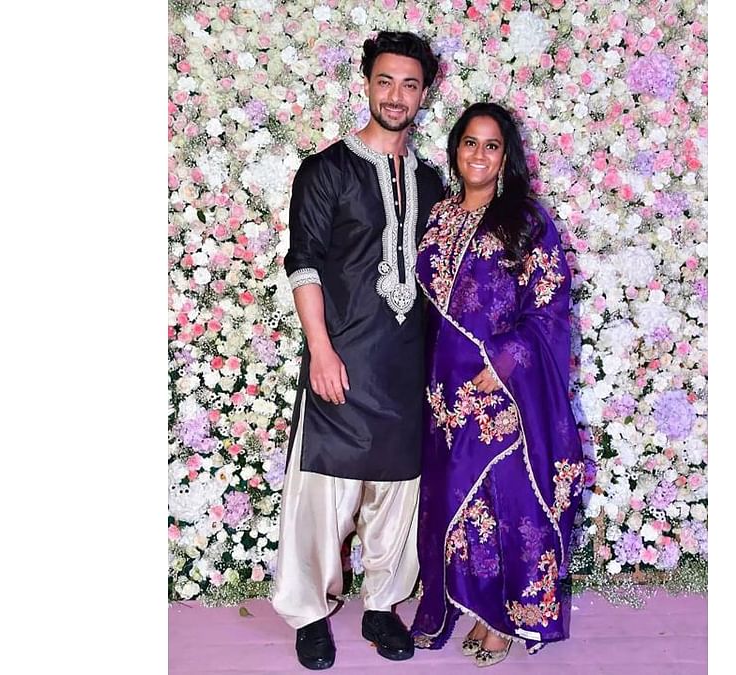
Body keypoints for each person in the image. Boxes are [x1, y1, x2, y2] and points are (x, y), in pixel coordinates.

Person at [272, 31, 445, 671]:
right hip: (339, 360)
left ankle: (382, 605)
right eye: (385, 81)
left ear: (424, 92)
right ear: (366, 84)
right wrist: (320, 349)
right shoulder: (326, 171)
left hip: (404, 364)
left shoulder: (431, 181)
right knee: (324, 493)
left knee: (398, 493)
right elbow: (305, 264)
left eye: (409, 84)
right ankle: (310, 615)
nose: (396, 95)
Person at [409, 102, 585, 667]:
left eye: (491, 145)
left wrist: (507, 358)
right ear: (455, 149)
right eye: (469, 143)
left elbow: (552, 307)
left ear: (506, 156)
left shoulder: (526, 221)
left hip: (504, 387)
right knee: (463, 500)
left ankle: (512, 618)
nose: (478, 155)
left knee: (513, 501)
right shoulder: (438, 216)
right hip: (447, 388)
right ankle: (476, 605)